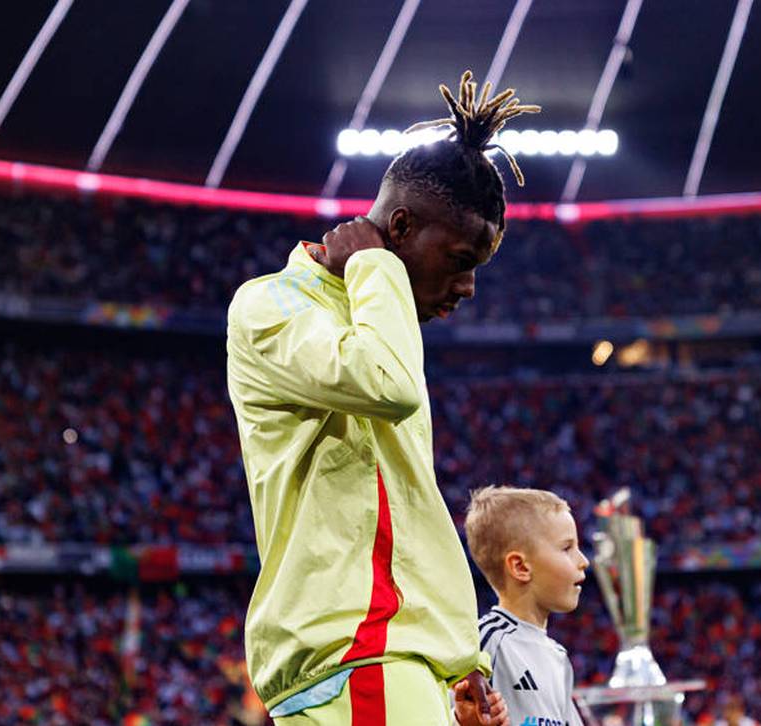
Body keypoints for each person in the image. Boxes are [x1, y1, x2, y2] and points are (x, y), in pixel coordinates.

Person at [226, 70, 538, 725]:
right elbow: (388, 386)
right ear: (398, 226)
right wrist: (373, 266)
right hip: (357, 657)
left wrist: (459, 663)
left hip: (392, 661)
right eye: (458, 259)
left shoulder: (382, 325)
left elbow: (403, 516)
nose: (468, 288)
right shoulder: (272, 304)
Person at [459, 486, 589, 726]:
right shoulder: (482, 645)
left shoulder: (558, 657)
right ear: (520, 567)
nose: (583, 561)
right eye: (567, 548)